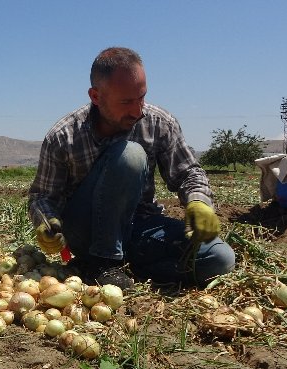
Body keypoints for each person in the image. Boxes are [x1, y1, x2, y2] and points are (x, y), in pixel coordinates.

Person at [28, 47, 236, 289]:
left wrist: (198, 202)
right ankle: (101, 261)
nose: (138, 111)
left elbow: (188, 172)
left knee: (219, 260)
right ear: (96, 96)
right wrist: (45, 221)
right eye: (126, 101)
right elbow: (42, 196)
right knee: (131, 155)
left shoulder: (159, 122)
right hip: (86, 231)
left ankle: (119, 266)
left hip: (139, 226)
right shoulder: (64, 136)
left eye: (142, 97)